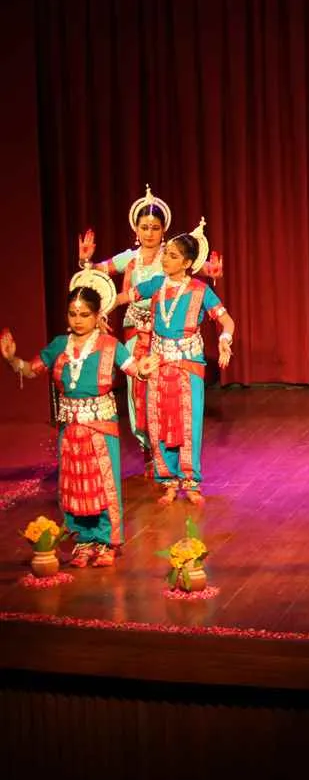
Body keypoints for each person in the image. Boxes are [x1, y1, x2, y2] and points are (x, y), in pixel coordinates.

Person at [1, 270, 153, 566]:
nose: (78, 320)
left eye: (85, 314)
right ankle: (82, 541)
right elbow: (30, 370)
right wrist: (11, 360)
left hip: (100, 426)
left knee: (103, 483)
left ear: (97, 316)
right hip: (70, 427)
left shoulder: (110, 345)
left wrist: (146, 368)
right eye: (73, 314)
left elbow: (136, 369)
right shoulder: (59, 345)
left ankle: (106, 542)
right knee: (73, 483)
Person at [77, 185, 223, 475]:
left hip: (162, 333)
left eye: (155, 228)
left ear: (163, 230)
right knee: (136, 390)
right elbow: (97, 273)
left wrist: (213, 270)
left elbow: (199, 266)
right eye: (144, 227)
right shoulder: (128, 258)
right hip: (134, 330)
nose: (149, 233)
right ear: (136, 228)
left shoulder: (170, 256)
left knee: (161, 394)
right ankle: (148, 448)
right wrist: (85, 261)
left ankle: (166, 452)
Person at [120, 219, 237, 506]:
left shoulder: (200, 290)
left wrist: (225, 340)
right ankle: (169, 482)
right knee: (159, 422)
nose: (165, 259)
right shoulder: (156, 284)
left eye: (172, 256)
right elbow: (125, 297)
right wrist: (99, 307)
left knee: (188, 423)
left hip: (188, 365)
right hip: (158, 363)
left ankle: (191, 482)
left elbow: (227, 321)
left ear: (186, 263)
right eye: (166, 254)